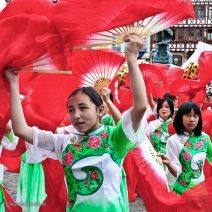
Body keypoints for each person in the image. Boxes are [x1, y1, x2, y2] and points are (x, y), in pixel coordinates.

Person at [5, 34, 148, 211]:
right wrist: (13, 83)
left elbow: (140, 106)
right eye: (71, 110)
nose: (76, 115)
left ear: (100, 110)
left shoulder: (114, 137)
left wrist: (132, 57)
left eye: (83, 108)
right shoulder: (64, 141)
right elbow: (21, 130)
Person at [159, 101, 212, 194]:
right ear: (180, 117)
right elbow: (176, 171)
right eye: (187, 115)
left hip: (201, 191)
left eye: (195, 116)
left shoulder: (205, 138)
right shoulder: (173, 140)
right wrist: (169, 164)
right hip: (181, 192)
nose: (192, 119)